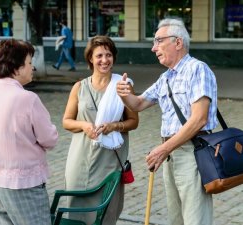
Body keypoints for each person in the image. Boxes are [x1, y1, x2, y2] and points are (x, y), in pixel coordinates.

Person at [117, 18, 218, 225]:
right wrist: (124, 94)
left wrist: (164, 149)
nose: (154, 48)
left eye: (158, 41)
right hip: (171, 155)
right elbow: (137, 104)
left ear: (178, 43)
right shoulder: (166, 77)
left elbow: (199, 119)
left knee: (195, 219)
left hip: (193, 152)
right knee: (176, 219)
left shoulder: (197, 69)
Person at [0, 39, 58, 225]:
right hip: (23, 182)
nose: (32, 68)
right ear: (17, 67)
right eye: (30, 63)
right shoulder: (27, 99)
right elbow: (50, 139)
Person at [62, 35, 138, 225]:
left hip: (109, 159)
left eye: (108, 55)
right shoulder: (79, 87)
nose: (104, 60)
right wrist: (83, 125)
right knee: (76, 204)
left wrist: (114, 126)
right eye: (99, 56)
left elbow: (133, 121)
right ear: (90, 58)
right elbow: (66, 121)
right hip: (80, 158)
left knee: (106, 209)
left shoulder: (122, 85)